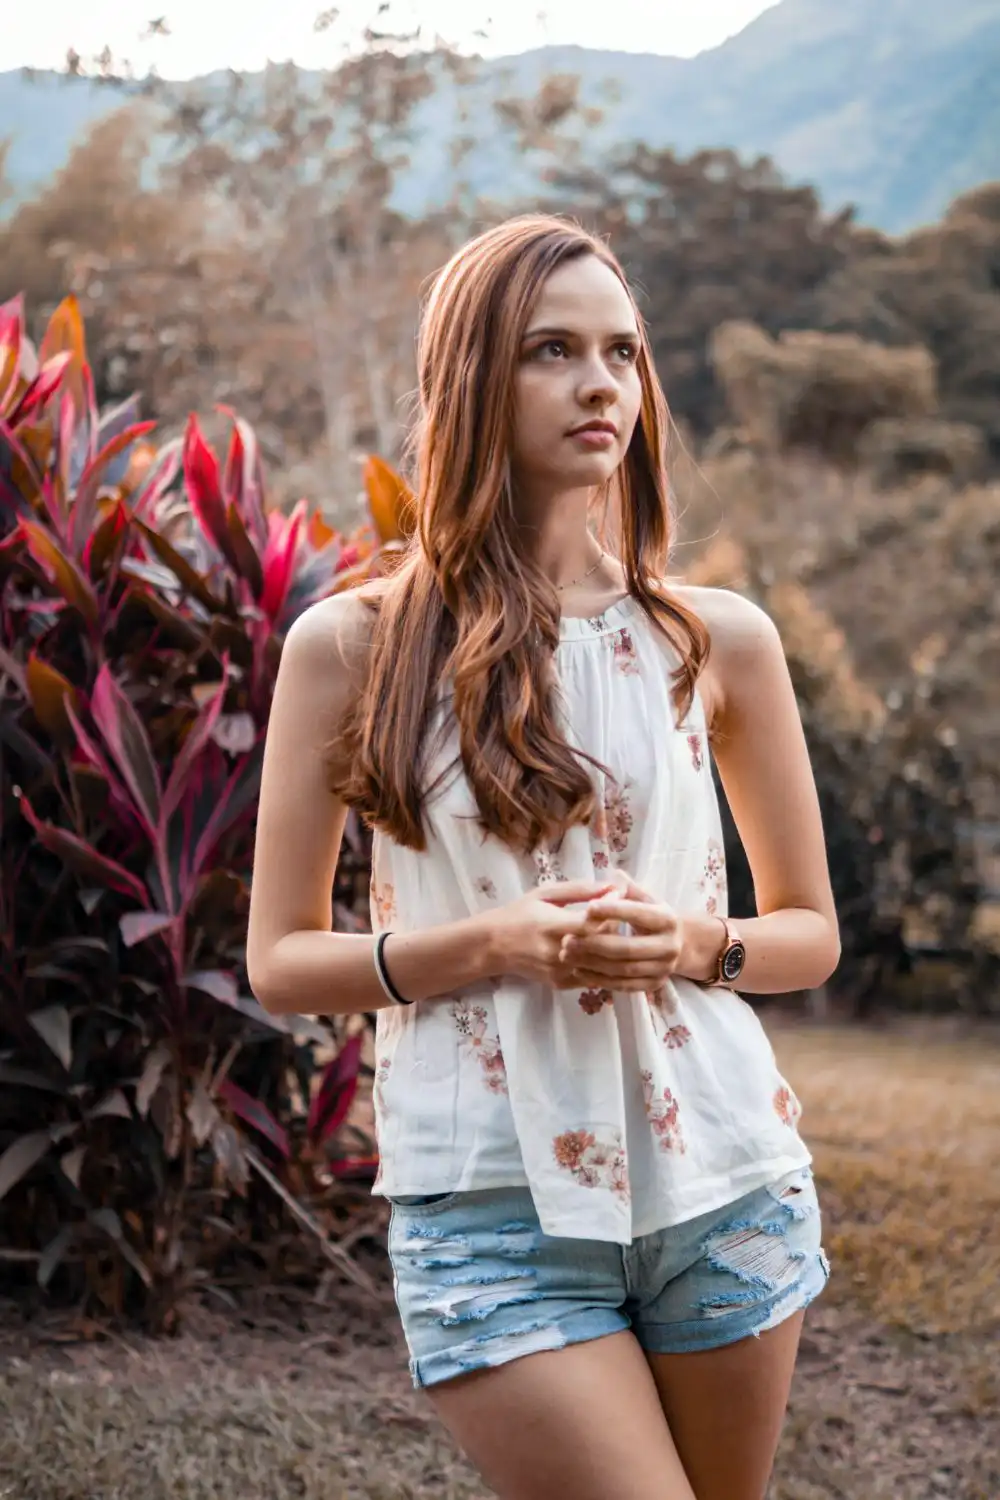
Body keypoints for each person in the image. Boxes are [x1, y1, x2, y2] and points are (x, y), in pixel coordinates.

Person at [247, 214, 840, 1500]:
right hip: (488, 1201)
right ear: (470, 378)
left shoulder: (715, 640)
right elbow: (281, 962)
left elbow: (807, 932)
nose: (600, 386)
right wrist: (493, 944)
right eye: (552, 351)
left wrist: (691, 942)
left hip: (722, 1181)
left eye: (621, 353)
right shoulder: (350, 647)